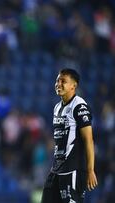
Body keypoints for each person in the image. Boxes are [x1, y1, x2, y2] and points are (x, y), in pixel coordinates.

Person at [41, 68, 98, 203]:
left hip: (73, 170)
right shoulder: (57, 107)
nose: (58, 84)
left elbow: (88, 140)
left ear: (74, 85)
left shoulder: (79, 106)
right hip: (56, 169)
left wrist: (90, 170)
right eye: (57, 80)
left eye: (63, 81)